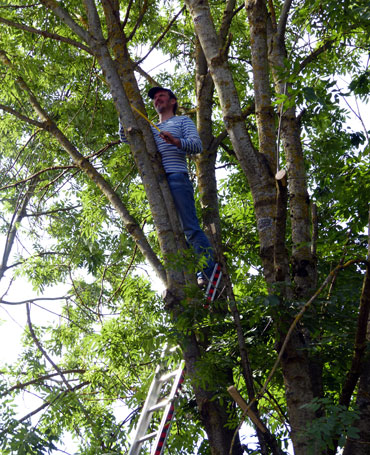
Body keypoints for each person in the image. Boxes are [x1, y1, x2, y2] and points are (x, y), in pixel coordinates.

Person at [119, 87, 216, 286]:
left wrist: (176, 141)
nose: (157, 100)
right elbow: (124, 138)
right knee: (172, 233)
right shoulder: (149, 127)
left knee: (190, 228)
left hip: (177, 178)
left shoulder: (181, 121)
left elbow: (197, 145)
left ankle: (209, 272)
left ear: (172, 101)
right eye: (154, 98)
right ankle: (190, 278)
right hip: (156, 186)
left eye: (161, 96)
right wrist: (123, 112)